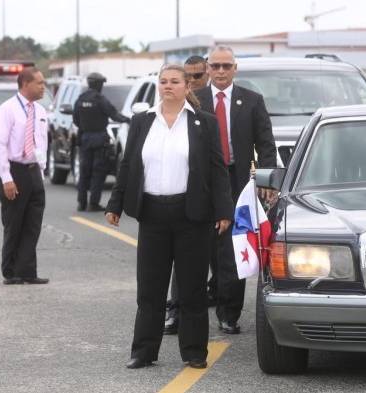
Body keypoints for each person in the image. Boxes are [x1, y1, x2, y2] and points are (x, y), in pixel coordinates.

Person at [105, 64, 233, 369]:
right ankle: (143, 351)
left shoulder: (203, 123)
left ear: (187, 86)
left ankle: (193, 352)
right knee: (150, 288)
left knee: (191, 289)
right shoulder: (142, 122)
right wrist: (115, 203)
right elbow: (128, 166)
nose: (168, 86)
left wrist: (224, 210)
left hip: (192, 216)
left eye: (175, 81)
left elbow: (217, 169)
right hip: (152, 214)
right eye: (163, 82)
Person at [195, 46, 277, 334]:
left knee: (234, 248)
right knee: (196, 246)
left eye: (226, 66)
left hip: (237, 182)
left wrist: (266, 181)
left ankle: (228, 313)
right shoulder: (195, 100)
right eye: (215, 66)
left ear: (235, 68)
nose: (220, 71)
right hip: (200, 183)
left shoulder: (252, 101)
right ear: (207, 68)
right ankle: (179, 309)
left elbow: (266, 144)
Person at [163, 55, 213, 336]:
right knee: (184, 262)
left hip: (225, 186)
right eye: (189, 76)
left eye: (197, 75)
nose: (193, 81)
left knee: (222, 258)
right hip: (187, 194)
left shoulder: (231, 102)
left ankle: (224, 305)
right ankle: (176, 310)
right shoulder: (182, 106)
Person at [0, 67, 49, 285]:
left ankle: (27, 271)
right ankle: (10, 272)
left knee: (33, 224)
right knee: (14, 223)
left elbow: (42, 142)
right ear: (25, 84)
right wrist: (6, 177)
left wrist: (41, 172)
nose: (43, 87)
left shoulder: (41, 111)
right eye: (40, 83)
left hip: (34, 171)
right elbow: (0, 145)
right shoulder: (7, 109)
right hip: (14, 170)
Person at [73, 72, 130, 212]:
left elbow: (75, 120)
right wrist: (129, 120)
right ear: (99, 84)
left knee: (84, 171)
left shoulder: (80, 99)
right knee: (98, 172)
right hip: (99, 139)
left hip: (85, 138)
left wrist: (85, 128)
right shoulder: (100, 99)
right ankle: (93, 203)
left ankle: (81, 203)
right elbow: (114, 115)